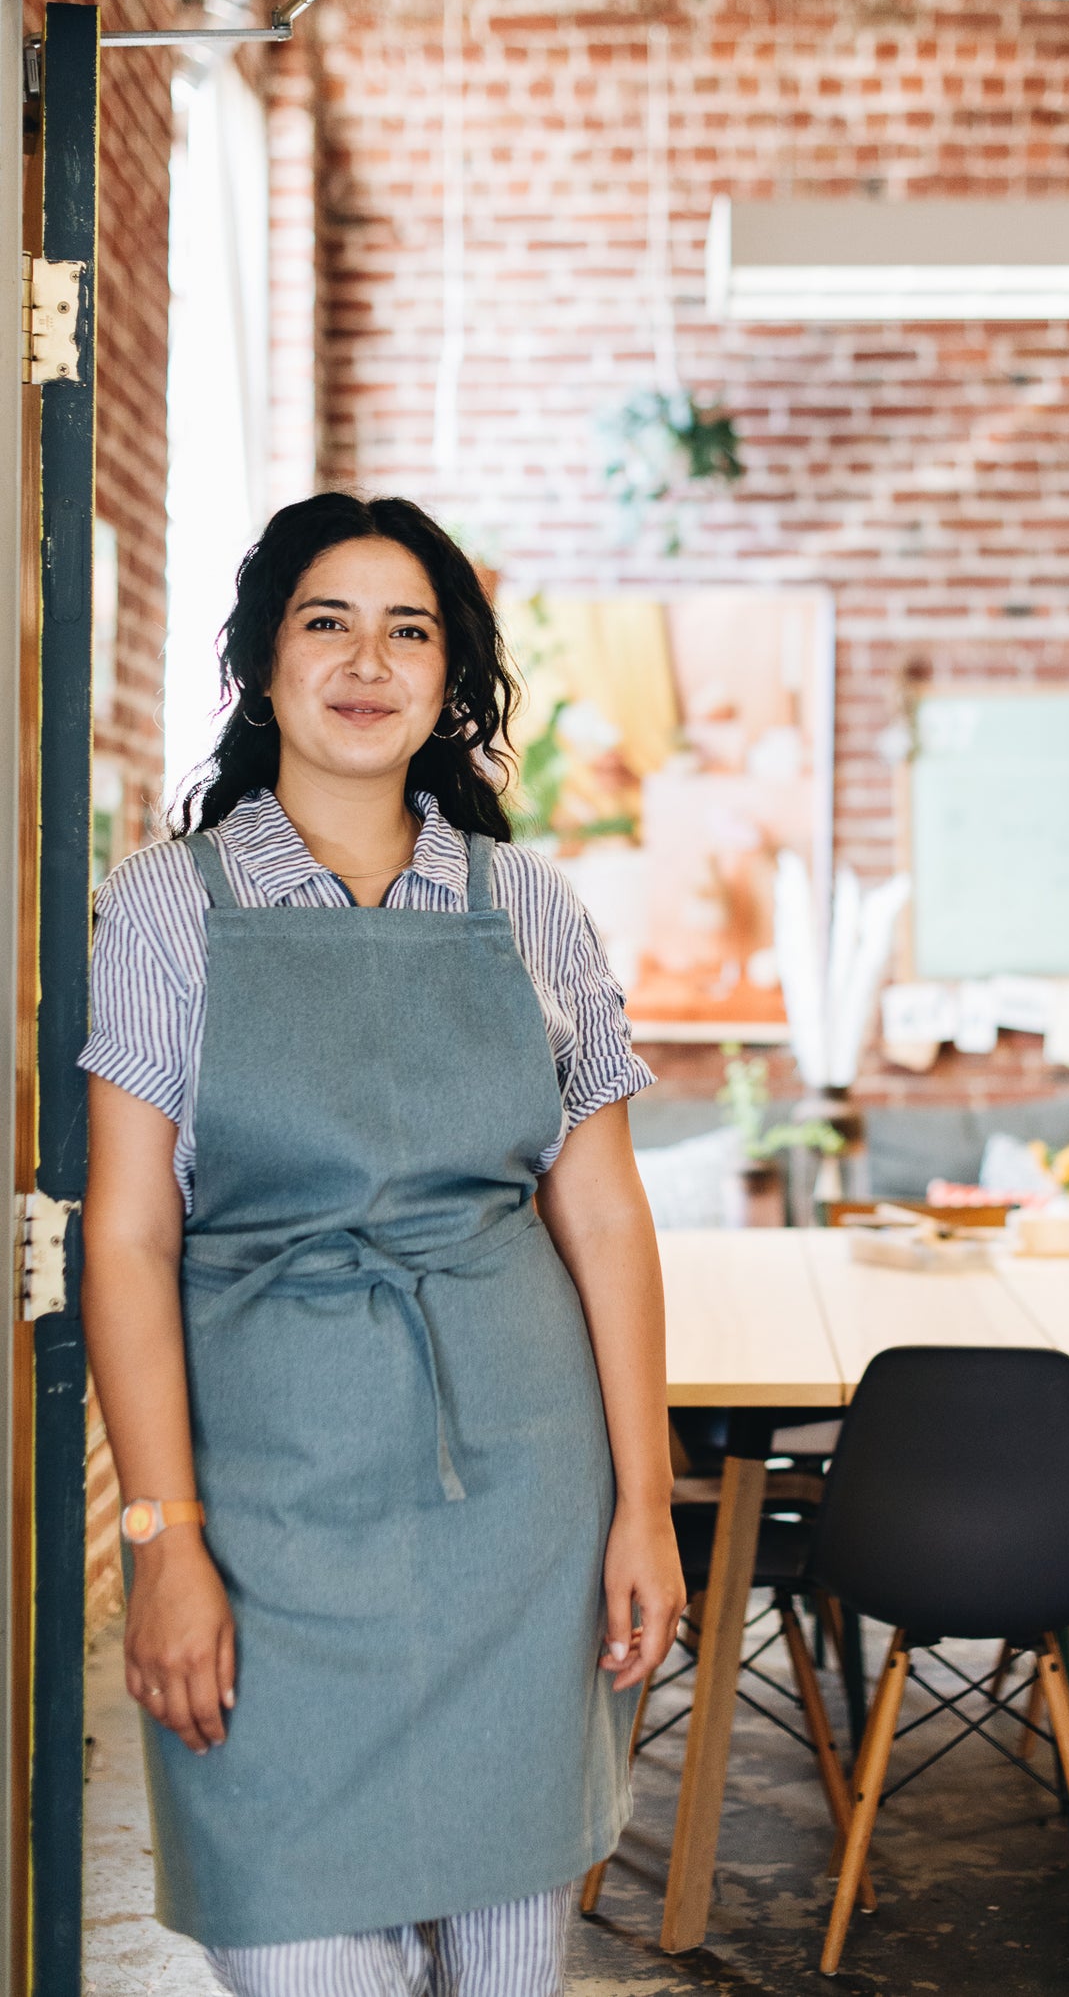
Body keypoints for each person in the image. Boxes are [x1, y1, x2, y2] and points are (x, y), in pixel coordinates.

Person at [81, 491, 687, 1996]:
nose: (368, 661)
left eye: (407, 629)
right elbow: (130, 1239)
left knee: (503, 1959)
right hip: (264, 1514)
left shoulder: (526, 906)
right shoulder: (171, 906)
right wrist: (163, 1542)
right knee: (295, 1959)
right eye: (325, 622)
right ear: (263, 664)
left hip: (518, 1512)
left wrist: (646, 1507)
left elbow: (603, 1215)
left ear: (450, 679)